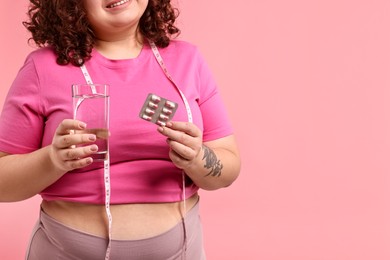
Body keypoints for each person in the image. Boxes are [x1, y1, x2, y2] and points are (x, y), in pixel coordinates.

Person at [0, 0, 241, 259]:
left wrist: (198, 158)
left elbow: (228, 168)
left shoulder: (188, 60)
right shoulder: (42, 67)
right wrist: (52, 159)